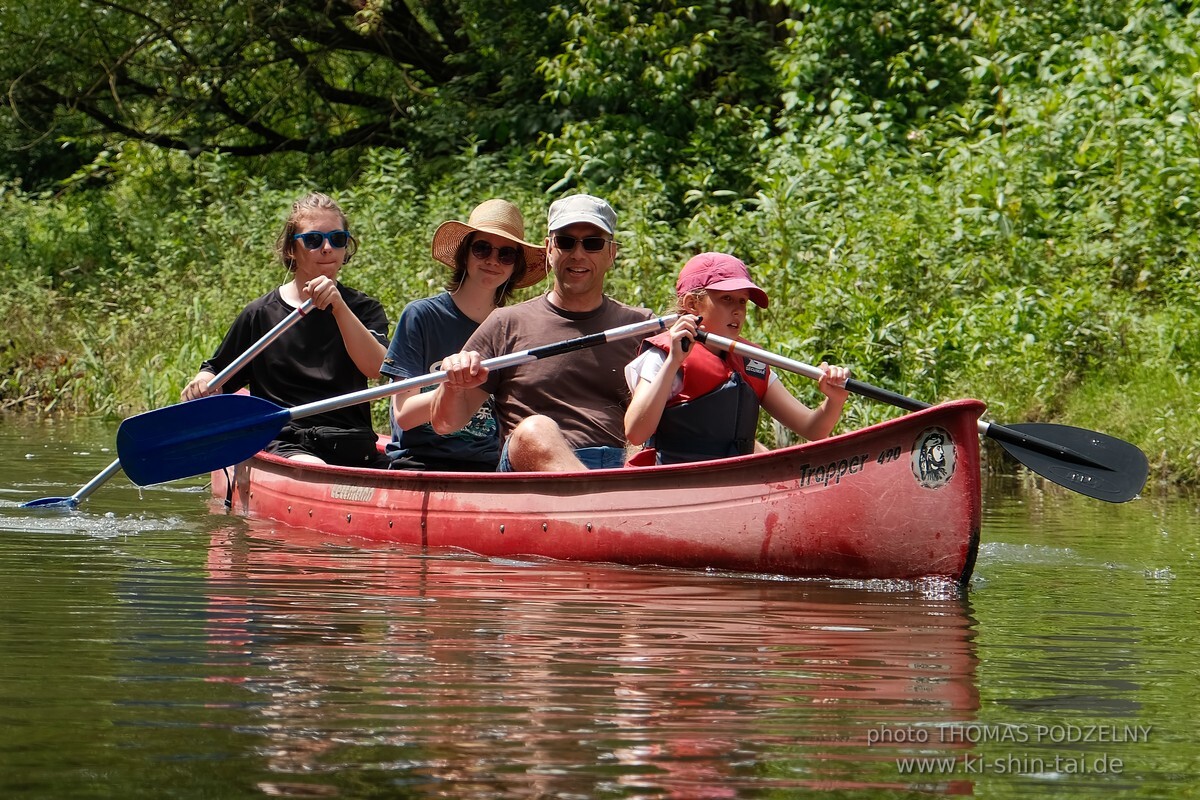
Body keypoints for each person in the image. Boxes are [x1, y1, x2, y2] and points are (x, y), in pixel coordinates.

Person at [430, 193, 654, 472]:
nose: (578, 254)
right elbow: (445, 423)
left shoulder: (643, 325)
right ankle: (600, 504)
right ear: (549, 249)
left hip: (618, 469)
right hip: (531, 472)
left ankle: (606, 501)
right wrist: (452, 382)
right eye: (565, 242)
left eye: (593, 244)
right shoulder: (505, 323)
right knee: (536, 429)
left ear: (612, 253)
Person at [181, 191, 389, 467]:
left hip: (351, 443)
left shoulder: (365, 309)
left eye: (337, 239)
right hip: (285, 440)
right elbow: (218, 373)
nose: (327, 248)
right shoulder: (260, 314)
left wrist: (339, 307)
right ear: (292, 249)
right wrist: (201, 382)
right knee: (315, 469)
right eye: (314, 240)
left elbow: (376, 369)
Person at [623, 252, 850, 465]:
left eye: (742, 301)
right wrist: (673, 361)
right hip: (674, 485)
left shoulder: (751, 360)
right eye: (727, 299)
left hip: (733, 482)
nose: (738, 310)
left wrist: (834, 400)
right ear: (692, 304)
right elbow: (635, 432)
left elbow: (813, 428)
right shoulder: (662, 356)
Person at [382, 199, 547, 471]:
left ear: (515, 265)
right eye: (482, 249)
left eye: (506, 254)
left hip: (490, 468)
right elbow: (404, 414)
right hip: (422, 463)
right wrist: (456, 386)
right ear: (465, 253)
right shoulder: (421, 316)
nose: (493, 261)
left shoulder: (515, 328)